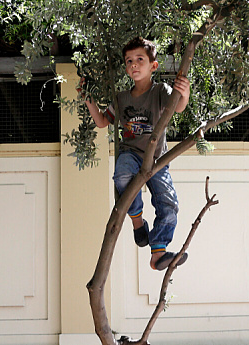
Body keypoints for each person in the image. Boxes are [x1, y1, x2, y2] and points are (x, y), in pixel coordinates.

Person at [82, 36, 191, 271]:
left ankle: (158, 252)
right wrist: (88, 99)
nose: (133, 64)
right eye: (129, 60)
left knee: (169, 204)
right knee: (122, 176)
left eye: (140, 59)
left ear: (153, 65)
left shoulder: (160, 91)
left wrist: (185, 93)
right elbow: (102, 121)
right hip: (130, 154)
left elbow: (178, 107)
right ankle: (137, 222)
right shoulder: (121, 98)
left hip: (156, 160)